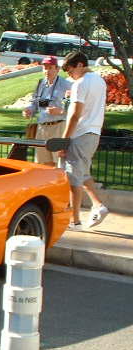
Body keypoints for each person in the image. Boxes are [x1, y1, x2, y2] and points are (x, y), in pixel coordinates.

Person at [59, 51, 109, 230]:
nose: (69, 74)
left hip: (80, 134)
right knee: (83, 173)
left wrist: (63, 141)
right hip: (93, 133)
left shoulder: (80, 84)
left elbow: (74, 115)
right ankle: (98, 205)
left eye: (70, 70)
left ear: (80, 65)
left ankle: (75, 221)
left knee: (73, 179)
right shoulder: (99, 80)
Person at [22, 55, 72, 167]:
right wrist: (29, 110)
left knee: (59, 162)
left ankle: (59, 183)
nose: (47, 70)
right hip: (42, 127)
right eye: (45, 68)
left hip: (58, 127)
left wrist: (61, 111)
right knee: (42, 163)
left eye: (50, 68)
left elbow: (75, 106)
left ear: (57, 69)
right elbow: (35, 103)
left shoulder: (66, 84)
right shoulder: (41, 83)